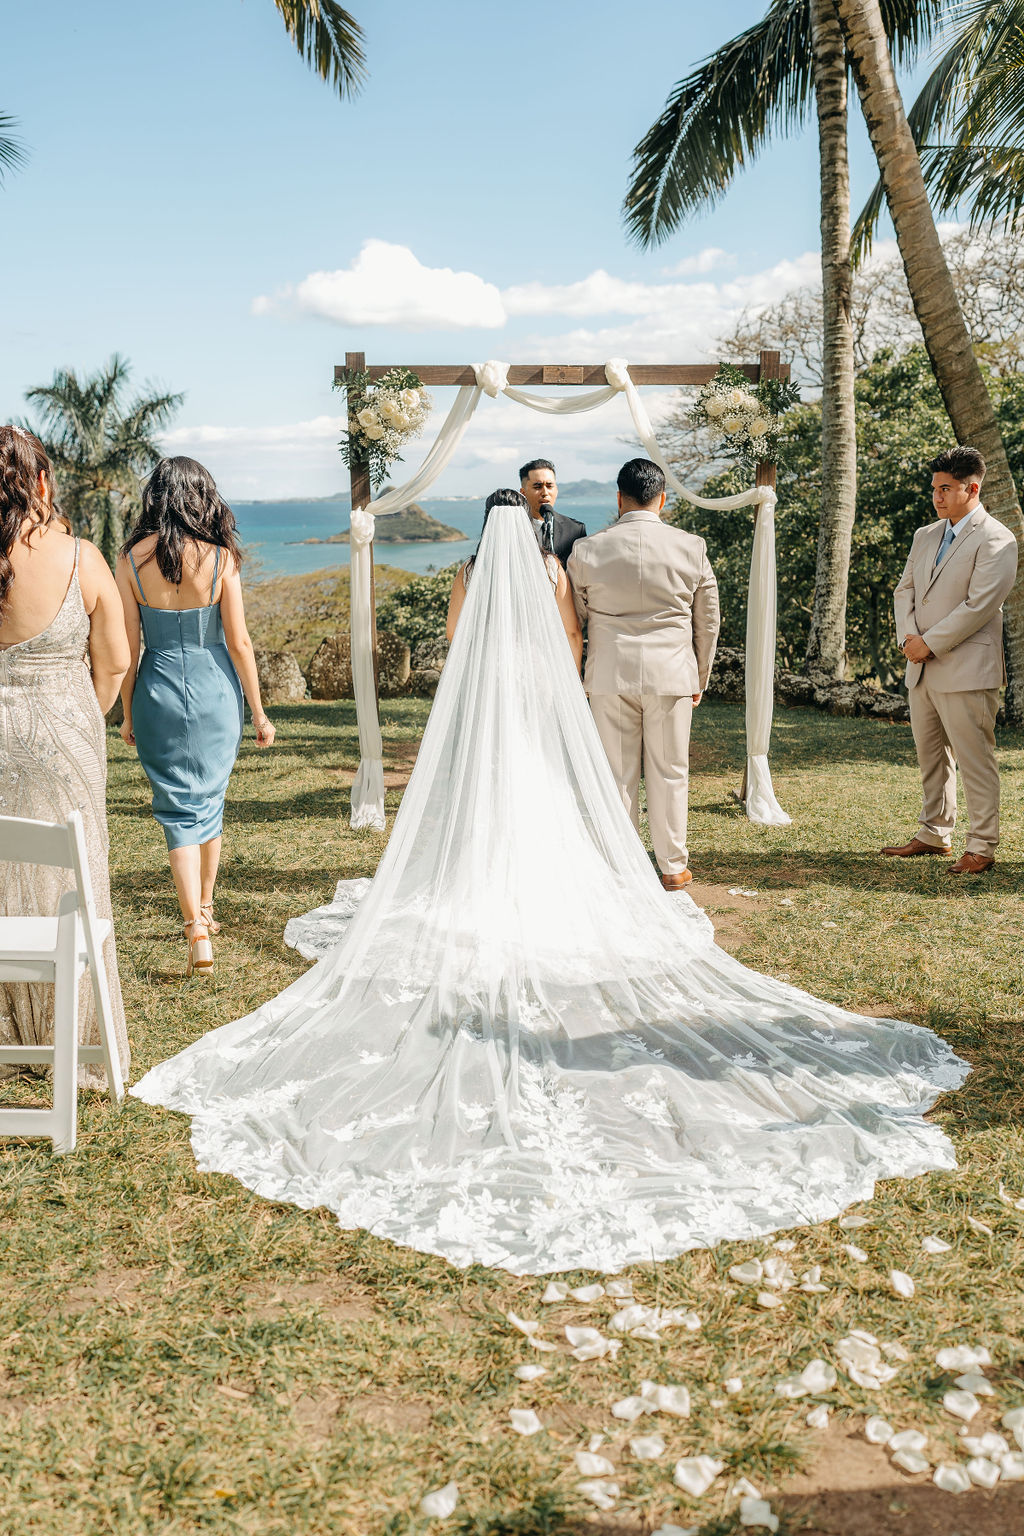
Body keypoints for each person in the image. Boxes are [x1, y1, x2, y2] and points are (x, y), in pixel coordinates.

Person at [133, 491, 966, 1278]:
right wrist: (551, 684)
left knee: (480, 801)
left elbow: (458, 643)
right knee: (540, 798)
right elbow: (571, 640)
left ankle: (471, 880)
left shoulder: (465, 576)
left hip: (485, 700)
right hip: (538, 699)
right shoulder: (551, 569)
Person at [0, 425, 131, 1083]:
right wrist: (76, 720)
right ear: (40, 483)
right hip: (65, 745)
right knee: (73, 888)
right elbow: (115, 661)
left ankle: (13, 1036)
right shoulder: (80, 558)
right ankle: (68, 1047)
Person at [116, 457, 276, 976]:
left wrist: (126, 712)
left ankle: (197, 926)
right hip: (215, 691)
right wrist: (258, 710)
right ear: (202, 496)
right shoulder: (221, 557)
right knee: (209, 799)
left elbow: (128, 644)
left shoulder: (131, 559)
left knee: (177, 809)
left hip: (157, 689)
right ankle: (203, 913)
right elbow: (240, 641)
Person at [568, 458, 719, 891]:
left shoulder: (588, 550)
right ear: (662, 500)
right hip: (672, 673)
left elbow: (577, 619)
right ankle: (672, 865)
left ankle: (623, 864)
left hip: (609, 673)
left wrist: (582, 672)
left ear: (619, 499)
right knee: (670, 770)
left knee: (616, 773)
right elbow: (707, 621)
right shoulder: (691, 546)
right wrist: (700, 677)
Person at [883, 446, 1018, 874]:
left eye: (945, 489)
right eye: (935, 488)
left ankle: (982, 845)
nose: (937, 497)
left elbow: (980, 605)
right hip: (920, 665)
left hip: (965, 668)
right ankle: (934, 832)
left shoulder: (998, 538)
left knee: (974, 757)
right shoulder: (925, 535)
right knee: (931, 757)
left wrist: (930, 643)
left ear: (971, 488)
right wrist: (910, 638)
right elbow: (904, 590)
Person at [446, 488, 582, 669]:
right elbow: (571, 632)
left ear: (488, 522)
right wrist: (573, 678)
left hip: (488, 667)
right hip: (539, 668)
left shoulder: (471, 570)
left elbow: (453, 632)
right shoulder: (550, 567)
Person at [519, 458, 586, 567]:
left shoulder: (575, 530)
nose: (545, 492)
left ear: (556, 490)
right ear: (523, 493)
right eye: (537, 486)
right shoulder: (513, 527)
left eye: (549, 486)